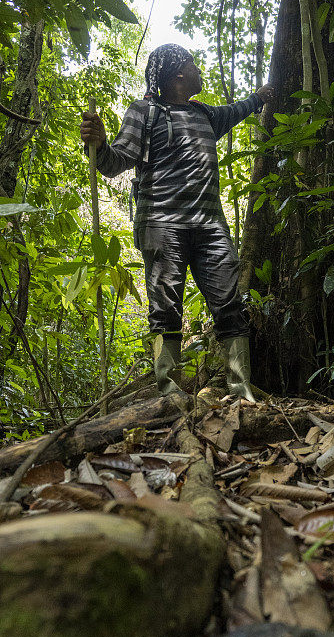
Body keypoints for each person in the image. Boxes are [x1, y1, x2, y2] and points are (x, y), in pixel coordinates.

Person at [80, 43, 274, 401]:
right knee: (165, 309)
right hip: (161, 224)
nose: (200, 70)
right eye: (193, 63)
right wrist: (99, 143)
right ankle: (169, 393)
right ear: (178, 74)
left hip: (210, 227)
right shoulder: (145, 111)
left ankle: (241, 390)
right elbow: (113, 163)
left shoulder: (205, 115)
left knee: (230, 303)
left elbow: (237, 110)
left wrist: (259, 98)